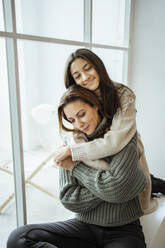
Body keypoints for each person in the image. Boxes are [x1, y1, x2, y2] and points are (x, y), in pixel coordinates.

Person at [7, 85, 147, 248]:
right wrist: (114, 185)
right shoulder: (70, 145)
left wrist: (75, 167)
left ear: (96, 105)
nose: (79, 124)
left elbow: (117, 189)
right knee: (19, 238)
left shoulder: (122, 138)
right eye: (72, 120)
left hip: (124, 230)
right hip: (83, 227)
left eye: (82, 114)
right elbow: (69, 199)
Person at [54, 48, 165, 213]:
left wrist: (72, 151)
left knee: (143, 183)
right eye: (77, 75)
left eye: (88, 68)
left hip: (124, 154)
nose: (85, 77)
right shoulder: (75, 104)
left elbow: (115, 142)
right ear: (73, 82)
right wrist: (114, 182)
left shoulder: (123, 95)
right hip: (106, 168)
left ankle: (152, 182)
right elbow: (72, 134)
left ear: (98, 66)